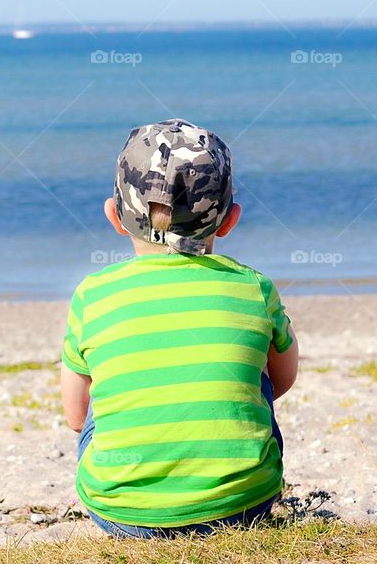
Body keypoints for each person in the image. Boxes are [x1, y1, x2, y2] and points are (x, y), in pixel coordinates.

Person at [60, 119, 299, 537]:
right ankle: (231, 469)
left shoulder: (92, 295)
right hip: (244, 508)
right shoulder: (254, 288)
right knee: (252, 376)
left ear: (114, 216)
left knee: (104, 384)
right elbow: (283, 380)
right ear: (229, 220)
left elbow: (75, 416)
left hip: (123, 514)